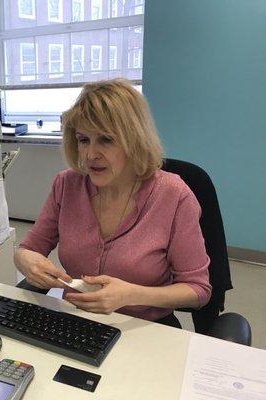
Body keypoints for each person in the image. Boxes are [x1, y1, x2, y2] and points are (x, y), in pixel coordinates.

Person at [14, 79, 211, 328]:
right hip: (77, 323)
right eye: (84, 140)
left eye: (106, 140)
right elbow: (28, 248)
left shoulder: (173, 195)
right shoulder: (67, 185)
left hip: (144, 329)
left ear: (134, 140)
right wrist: (27, 262)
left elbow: (198, 290)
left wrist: (131, 294)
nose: (90, 154)